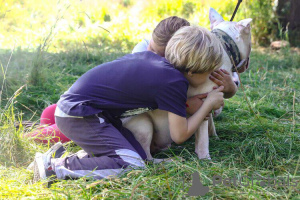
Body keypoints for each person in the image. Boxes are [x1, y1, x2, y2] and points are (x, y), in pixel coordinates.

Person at [33, 25, 224, 182]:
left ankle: (64, 157)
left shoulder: (160, 67)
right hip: (80, 113)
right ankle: (54, 167)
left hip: (90, 112)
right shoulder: (175, 82)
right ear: (191, 72)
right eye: (208, 73)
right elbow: (180, 135)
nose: (210, 77)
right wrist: (208, 104)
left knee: (139, 156)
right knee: (131, 165)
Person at [132, 16, 238, 115]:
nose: (151, 56)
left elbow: (215, 89)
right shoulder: (139, 55)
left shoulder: (189, 63)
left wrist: (230, 88)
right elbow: (139, 101)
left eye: (160, 56)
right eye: (151, 48)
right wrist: (185, 105)